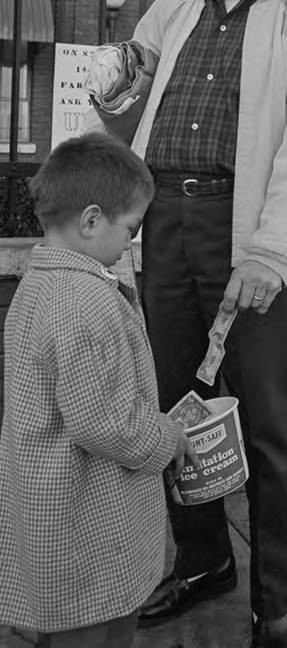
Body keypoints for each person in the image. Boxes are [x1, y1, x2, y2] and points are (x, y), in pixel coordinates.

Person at [122, 0, 287, 647]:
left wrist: (271, 253)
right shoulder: (171, 9)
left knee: (271, 426)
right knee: (176, 409)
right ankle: (204, 559)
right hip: (167, 229)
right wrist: (113, 108)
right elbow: (122, 119)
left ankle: (275, 603)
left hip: (248, 234)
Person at [0, 132, 196, 648]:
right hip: (85, 517)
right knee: (92, 626)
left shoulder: (37, 285)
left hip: (53, 502)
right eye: (130, 228)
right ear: (91, 221)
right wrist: (166, 439)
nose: (131, 241)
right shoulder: (83, 302)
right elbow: (101, 422)